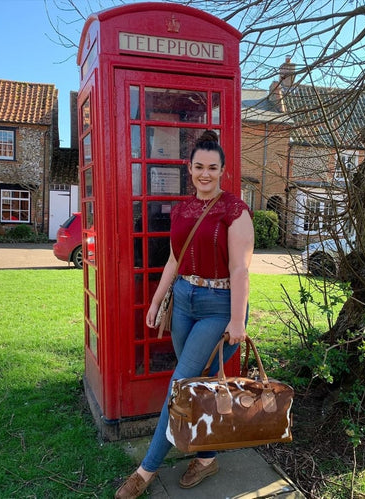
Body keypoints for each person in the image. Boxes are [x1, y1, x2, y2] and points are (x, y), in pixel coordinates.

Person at [115, 130, 254, 499]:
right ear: (188, 168)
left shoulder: (235, 210)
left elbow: (240, 269)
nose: (204, 174)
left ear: (222, 170)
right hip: (184, 301)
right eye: (198, 167)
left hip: (219, 306)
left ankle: (145, 470)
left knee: (179, 385)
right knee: (198, 386)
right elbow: (175, 259)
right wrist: (158, 300)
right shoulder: (182, 209)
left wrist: (237, 320)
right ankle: (207, 459)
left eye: (212, 167)